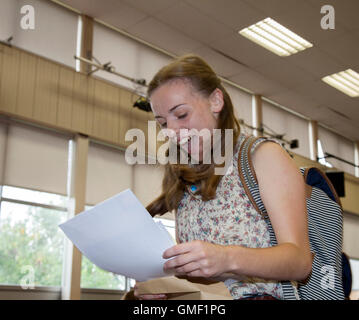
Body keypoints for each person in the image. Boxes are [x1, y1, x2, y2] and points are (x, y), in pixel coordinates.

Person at [133, 54, 312, 300]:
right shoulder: (182, 179)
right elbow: (199, 278)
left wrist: (227, 258)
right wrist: (166, 286)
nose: (172, 131)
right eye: (163, 123)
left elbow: (300, 262)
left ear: (216, 100)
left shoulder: (261, 157)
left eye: (182, 115)